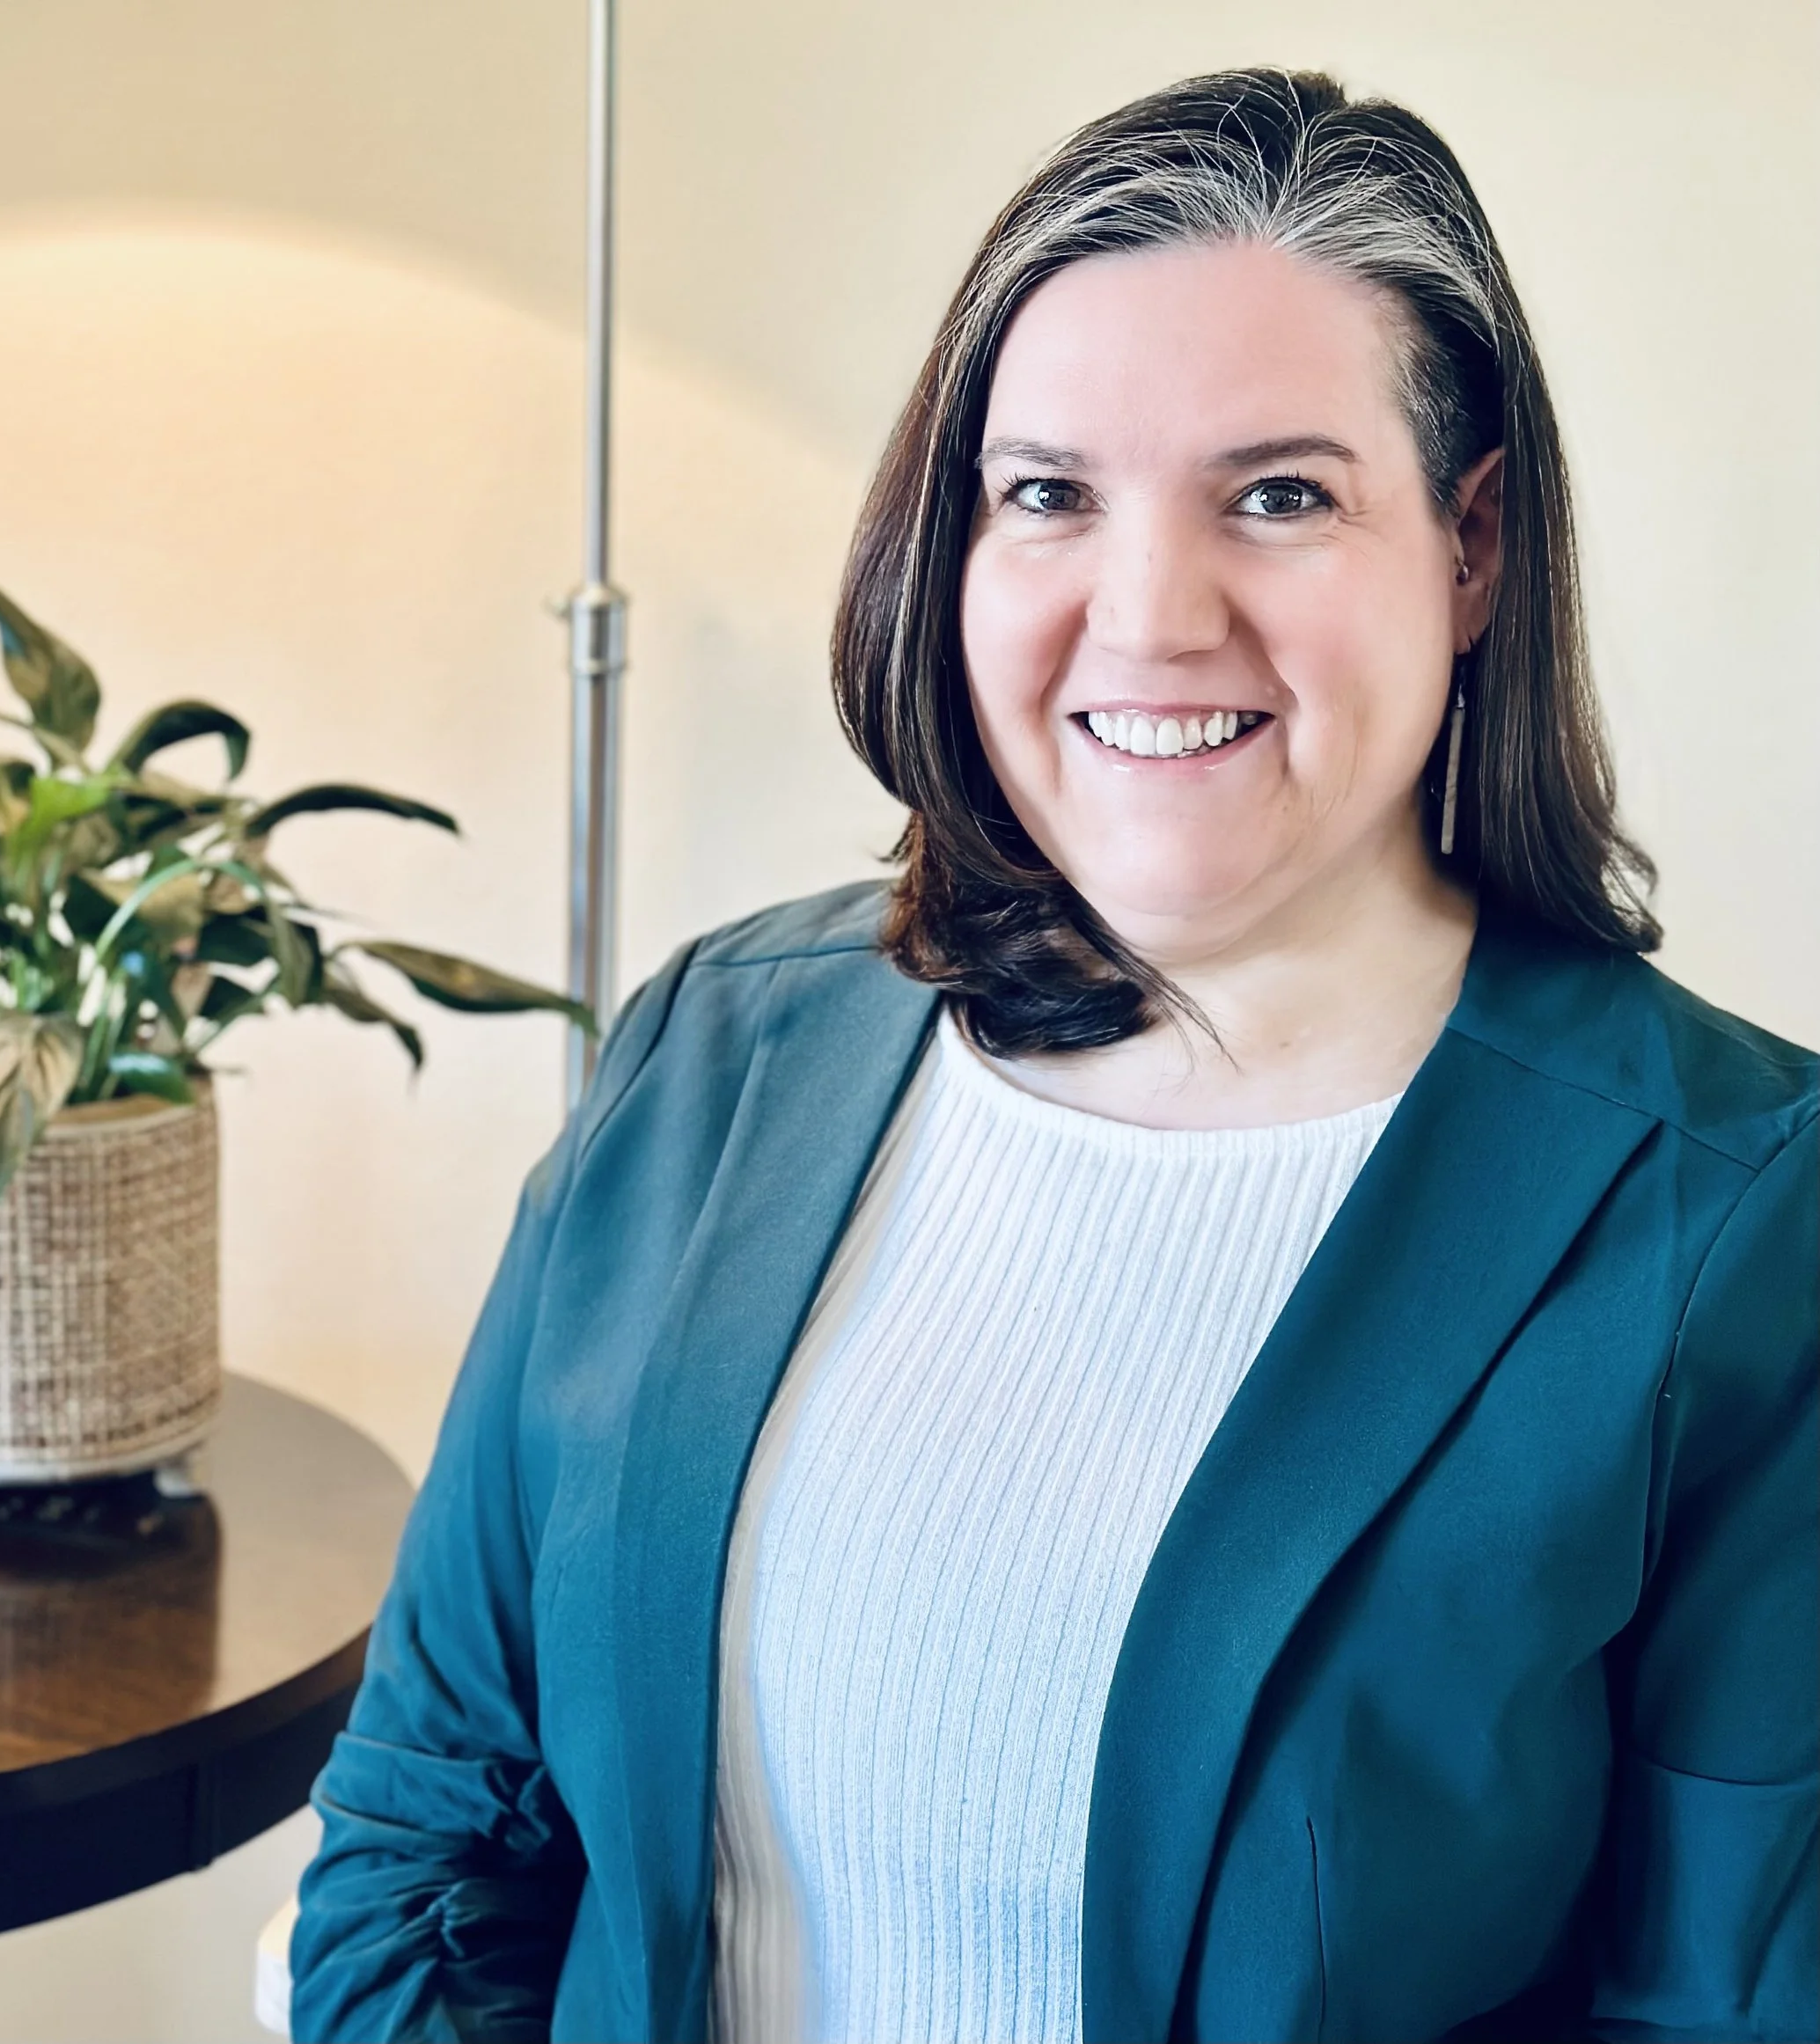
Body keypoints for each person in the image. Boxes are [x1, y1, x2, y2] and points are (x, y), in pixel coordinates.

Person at [290, 68, 1817, 2044]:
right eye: (1048, 495)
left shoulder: (1734, 1222)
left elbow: (1719, 2009)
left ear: (1469, 546)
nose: (1147, 613)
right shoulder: (710, 1060)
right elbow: (429, 1830)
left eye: (1278, 495)